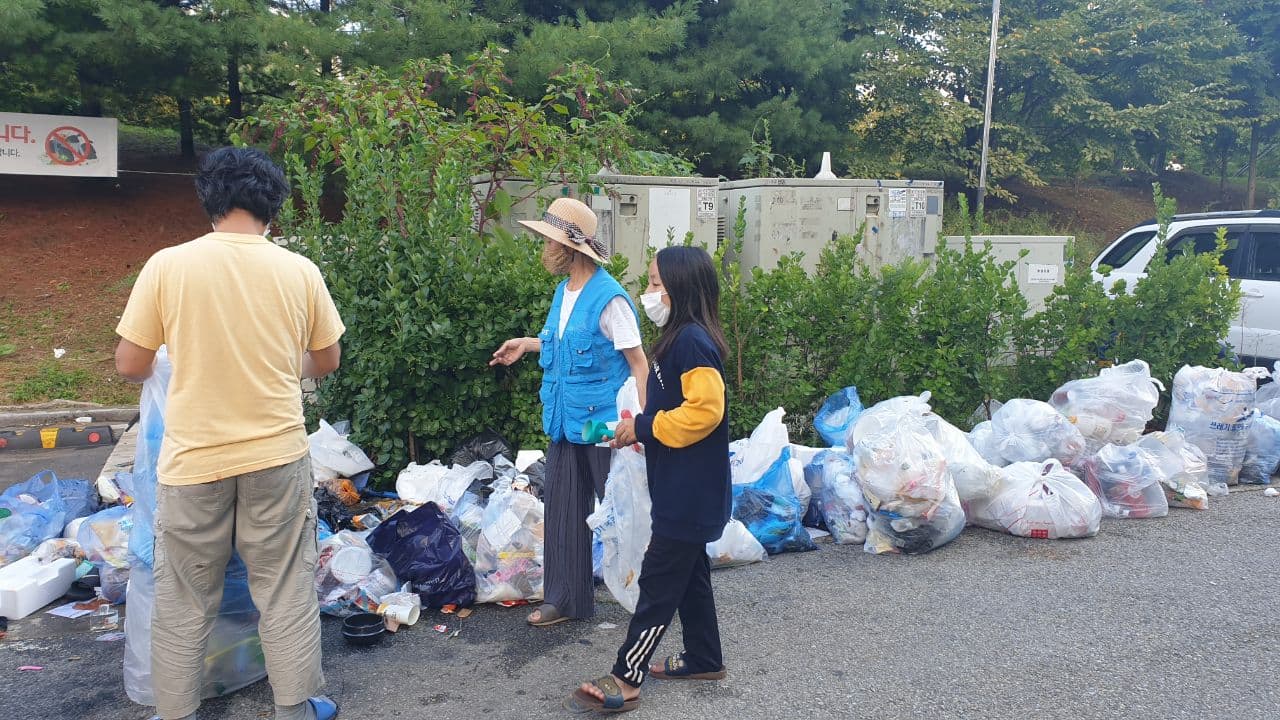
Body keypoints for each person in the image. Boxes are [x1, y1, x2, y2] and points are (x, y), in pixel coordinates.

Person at [114, 147, 344, 720]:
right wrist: (276, 365)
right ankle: (294, 708)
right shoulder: (298, 271)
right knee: (285, 588)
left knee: (183, 598)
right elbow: (327, 358)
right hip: (276, 455)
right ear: (273, 206)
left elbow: (130, 362)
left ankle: (176, 712)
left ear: (210, 199)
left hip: (193, 461)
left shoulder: (168, 265)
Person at [568, 246, 732, 713]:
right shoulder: (677, 339)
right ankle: (704, 657)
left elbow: (704, 412)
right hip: (681, 487)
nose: (650, 292)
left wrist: (644, 427)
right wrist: (638, 430)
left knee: (660, 582)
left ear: (682, 288)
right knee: (691, 575)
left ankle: (627, 675)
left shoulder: (693, 342)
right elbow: (671, 414)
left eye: (658, 283)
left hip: (689, 492)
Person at [490, 197, 649, 627]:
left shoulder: (610, 299)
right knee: (563, 509)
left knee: (620, 510)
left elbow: (638, 362)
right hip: (564, 419)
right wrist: (527, 344)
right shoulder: (564, 292)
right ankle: (565, 600)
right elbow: (561, 344)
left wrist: (643, 424)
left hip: (603, 423)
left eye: (549, 242)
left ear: (570, 248)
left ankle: (654, 595)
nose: (543, 250)